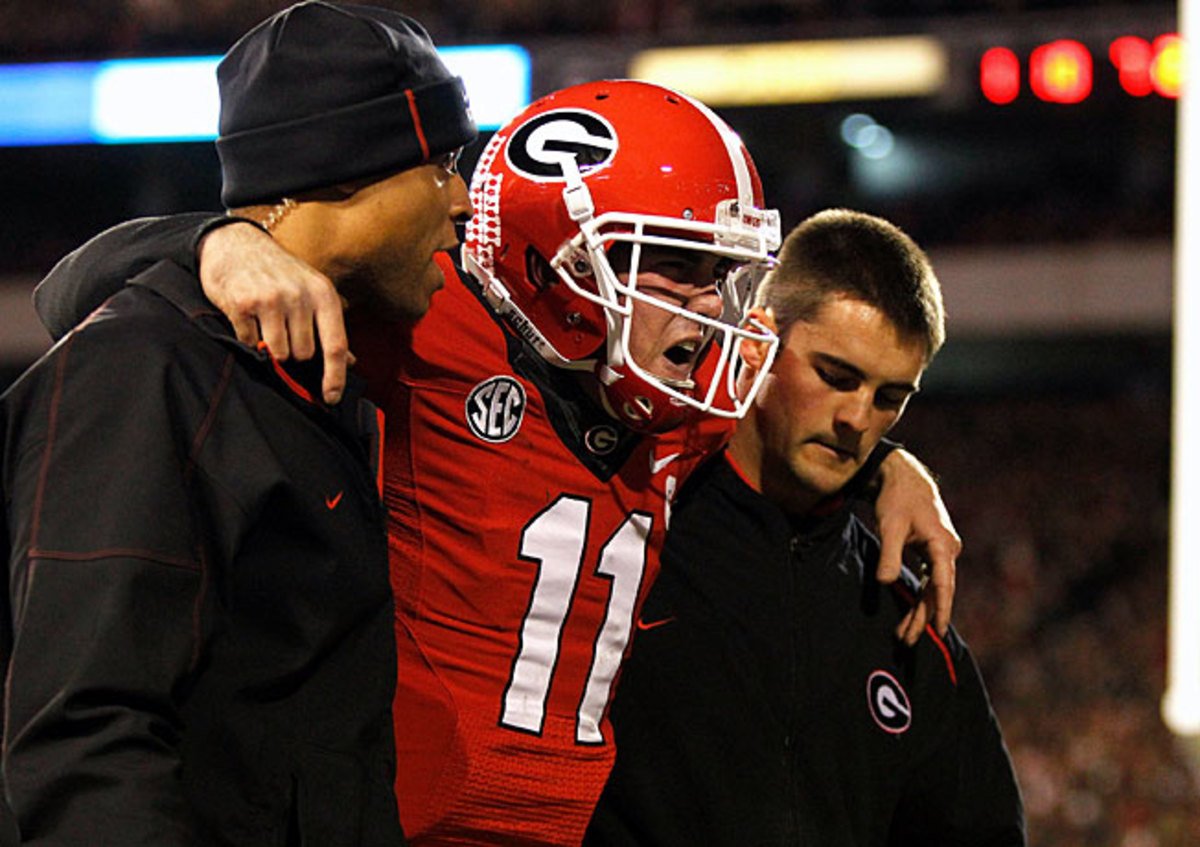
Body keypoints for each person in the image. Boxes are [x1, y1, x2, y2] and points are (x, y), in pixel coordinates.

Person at [30, 82, 961, 844]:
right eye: (674, 262)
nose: (711, 306)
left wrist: (892, 469)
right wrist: (211, 240)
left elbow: (808, 431)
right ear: (555, 257)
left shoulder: (688, 408)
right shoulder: (425, 331)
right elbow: (78, 295)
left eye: (719, 271)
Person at [0, 2, 475, 843]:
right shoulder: (145, 367)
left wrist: (206, 239)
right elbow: (88, 734)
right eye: (440, 166)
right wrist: (210, 241)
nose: (463, 201)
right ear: (341, 172)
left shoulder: (316, 358)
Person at [584, 209, 1026, 846]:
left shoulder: (906, 620)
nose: (857, 418)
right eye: (836, 377)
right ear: (758, 345)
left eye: (888, 398)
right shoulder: (625, 531)